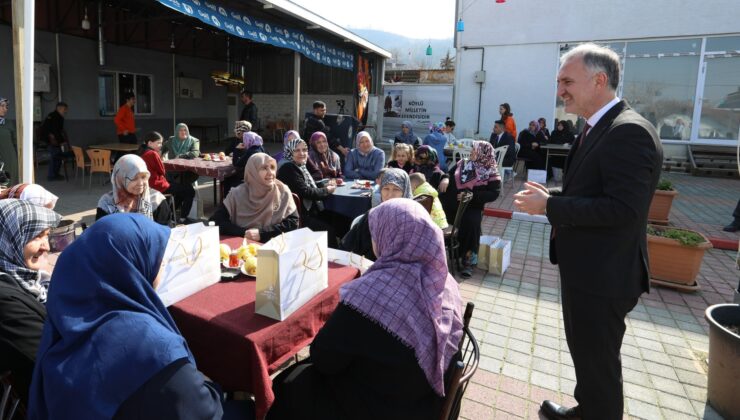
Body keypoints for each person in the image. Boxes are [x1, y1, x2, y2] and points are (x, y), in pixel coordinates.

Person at [513, 43, 663, 420]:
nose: (560, 90)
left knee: (599, 365)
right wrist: (555, 196)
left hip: (604, 275)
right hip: (591, 271)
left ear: (599, 81)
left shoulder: (628, 132)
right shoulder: (599, 127)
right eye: (559, 81)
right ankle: (588, 411)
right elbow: (594, 192)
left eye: (567, 81)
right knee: (590, 359)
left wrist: (550, 206)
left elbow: (623, 210)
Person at [28, 214, 242, 419]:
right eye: (156, 255)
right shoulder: (151, 346)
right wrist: (212, 386)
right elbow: (203, 410)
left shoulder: (60, 327)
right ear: (130, 264)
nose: (163, 265)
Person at [268, 199, 463, 420]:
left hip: (381, 406)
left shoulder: (370, 295)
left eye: (374, 231)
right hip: (426, 401)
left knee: (287, 385)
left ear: (389, 235)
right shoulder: (445, 284)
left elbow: (324, 359)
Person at [0, 199, 60, 406]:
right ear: (8, 240)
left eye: (47, 235)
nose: (46, 246)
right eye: (36, 237)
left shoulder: (29, 280)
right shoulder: (4, 299)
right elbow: (48, 357)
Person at [441, 141, 502, 278]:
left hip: (472, 206)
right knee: (441, 220)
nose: (472, 152)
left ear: (483, 153)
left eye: (475, 150)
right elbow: (448, 173)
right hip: (451, 205)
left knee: (471, 223)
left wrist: (471, 196)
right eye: (472, 150)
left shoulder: (491, 170)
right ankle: (446, 254)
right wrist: (445, 179)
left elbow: (494, 193)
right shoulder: (463, 162)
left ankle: (467, 261)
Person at [277, 138, 348, 247]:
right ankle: (331, 257)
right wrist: (327, 190)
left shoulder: (299, 166)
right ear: (290, 152)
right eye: (297, 150)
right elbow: (306, 191)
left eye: (304, 150)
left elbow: (307, 184)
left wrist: (324, 184)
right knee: (329, 230)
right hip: (298, 216)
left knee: (342, 219)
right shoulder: (288, 168)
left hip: (309, 210)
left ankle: (345, 250)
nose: (302, 153)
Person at [210, 153, 299, 240]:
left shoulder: (282, 191)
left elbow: (293, 223)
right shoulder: (238, 193)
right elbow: (216, 221)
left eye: (272, 168)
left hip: (274, 247)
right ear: (253, 171)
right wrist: (244, 233)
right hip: (243, 247)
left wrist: (262, 233)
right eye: (264, 168)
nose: (270, 173)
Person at [340, 168, 412, 261]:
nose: (390, 195)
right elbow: (347, 245)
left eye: (396, 189)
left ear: (405, 191)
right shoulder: (373, 216)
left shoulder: (412, 219)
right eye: (386, 188)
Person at [96, 154, 172, 225]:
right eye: (134, 178)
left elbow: (164, 234)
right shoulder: (107, 203)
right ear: (120, 179)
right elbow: (102, 234)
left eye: (143, 177)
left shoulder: (156, 201)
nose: (141, 183)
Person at [139, 131, 194, 222]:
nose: (161, 145)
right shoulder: (152, 154)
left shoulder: (142, 152)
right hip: (158, 185)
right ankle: (182, 218)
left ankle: (171, 215)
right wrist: (162, 157)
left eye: (161, 143)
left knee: (182, 190)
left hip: (149, 185)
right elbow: (162, 170)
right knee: (189, 190)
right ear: (150, 143)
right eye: (158, 143)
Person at [39, 102, 71, 181]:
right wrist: (61, 141)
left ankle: (55, 174)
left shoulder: (52, 115)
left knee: (57, 157)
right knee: (55, 157)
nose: (66, 111)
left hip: (50, 140)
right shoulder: (57, 117)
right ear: (59, 108)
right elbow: (56, 131)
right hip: (53, 141)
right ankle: (52, 176)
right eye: (64, 109)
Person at [0, 97, 19, 184]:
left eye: (6, 106)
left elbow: (15, 142)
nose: (5, 109)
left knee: (9, 183)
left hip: (9, 159)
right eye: (2, 106)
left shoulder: (9, 123)